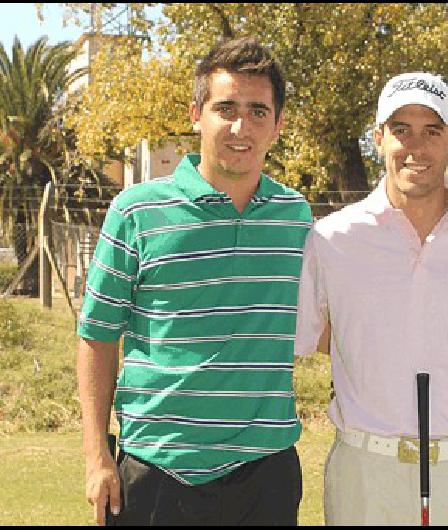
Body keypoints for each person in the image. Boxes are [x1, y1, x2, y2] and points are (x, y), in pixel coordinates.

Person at [76, 37, 311, 526]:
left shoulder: (296, 219)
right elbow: (97, 336)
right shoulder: (136, 211)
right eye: (225, 108)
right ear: (195, 113)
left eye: (258, 111)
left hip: (265, 476)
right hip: (157, 475)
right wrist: (97, 457)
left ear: (279, 123)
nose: (240, 127)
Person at [294, 72, 448, 525]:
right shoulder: (331, 238)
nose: (415, 147)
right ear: (379, 138)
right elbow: (315, 335)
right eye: (401, 130)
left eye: (431, 131)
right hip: (364, 469)